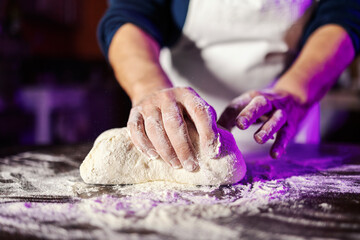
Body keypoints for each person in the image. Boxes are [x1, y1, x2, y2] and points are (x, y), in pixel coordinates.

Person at [98, 0, 360, 172]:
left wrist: (295, 91)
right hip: (178, 133)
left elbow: (344, 15)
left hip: (285, 129)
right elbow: (129, 15)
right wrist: (148, 86)